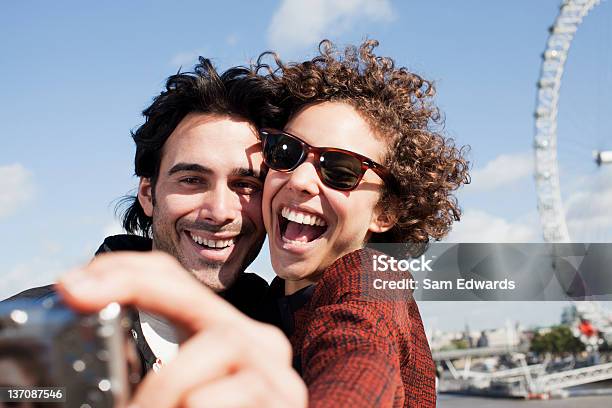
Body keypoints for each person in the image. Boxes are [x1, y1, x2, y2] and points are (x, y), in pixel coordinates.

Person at [3, 59, 307, 407]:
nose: (220, 211)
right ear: (148, 194)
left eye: (245, 184)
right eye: (192, 180)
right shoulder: (29, 337)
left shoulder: (298, 334)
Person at [256, 39, 469, 407]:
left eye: (340, 170)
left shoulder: (372, 280)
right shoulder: (265, 306)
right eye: (286, 152)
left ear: (385, 213)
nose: (300, 179)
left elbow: (358, 356)